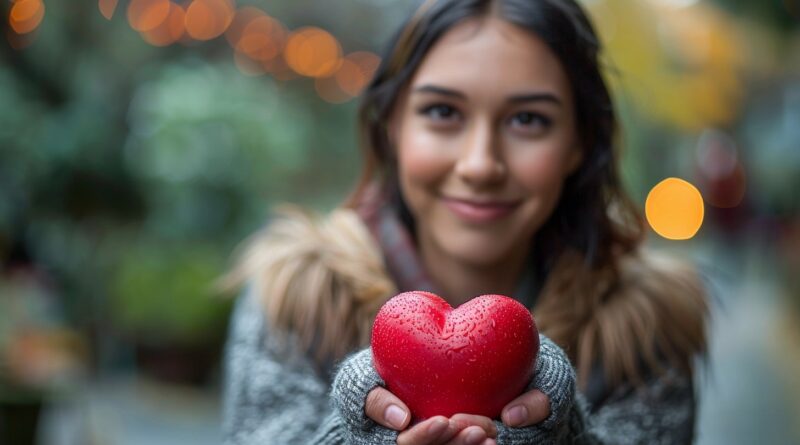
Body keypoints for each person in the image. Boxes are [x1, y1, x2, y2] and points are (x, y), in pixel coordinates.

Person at [221, 0, 709, 444]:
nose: (480, 165)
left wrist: (566, 437)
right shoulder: (293, 301)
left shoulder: (648, 331)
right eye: (442, 111)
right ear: (392, 128)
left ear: (578, 143)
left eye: (528, 120)